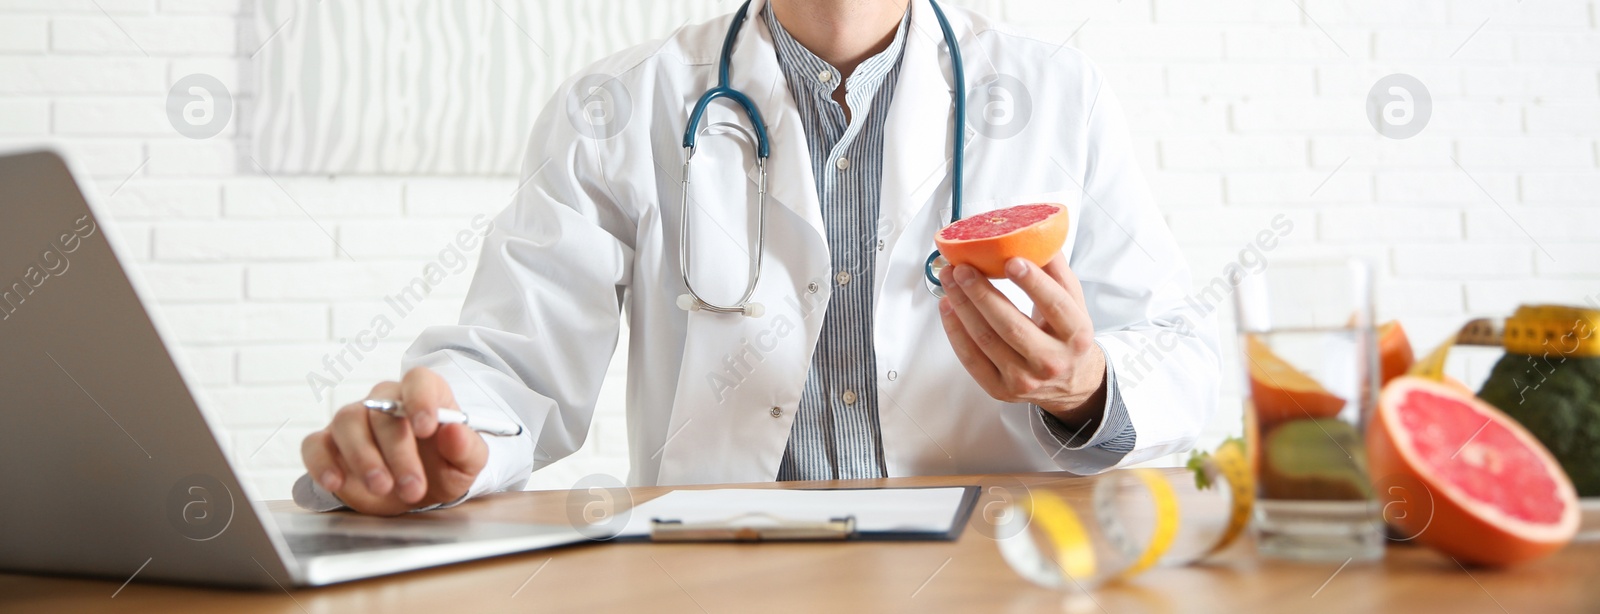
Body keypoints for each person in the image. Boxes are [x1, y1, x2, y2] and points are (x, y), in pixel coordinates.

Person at [298, 0, 1219, 515]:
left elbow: (1180, 350)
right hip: (718, 576)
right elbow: (512, 365)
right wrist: (437, 436)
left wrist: (1086, 386)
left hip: (988, 571)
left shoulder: (1057, 93)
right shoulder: (622, 104)